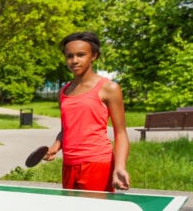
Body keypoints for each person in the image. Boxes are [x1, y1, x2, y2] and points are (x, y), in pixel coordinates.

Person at [43, 31, 130, 192]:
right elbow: (67, 129)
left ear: (94, 55)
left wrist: (119, 167)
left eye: (81, 55)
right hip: (69, 164)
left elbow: (121, 133)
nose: (74, 61)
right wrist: (56, 146)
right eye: (69, 56)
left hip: (97, 164)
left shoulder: (109, 88)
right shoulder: (63, 91)